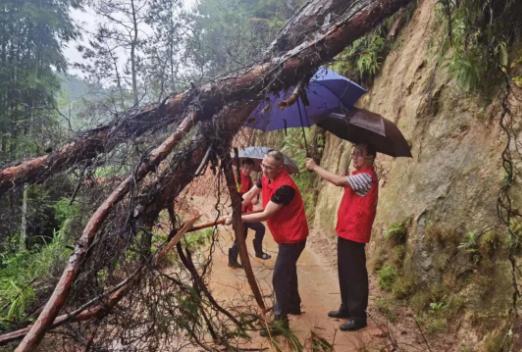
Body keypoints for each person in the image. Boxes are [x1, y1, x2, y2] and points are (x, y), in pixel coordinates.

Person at [232, 149, 308, 336]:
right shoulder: (265, 177)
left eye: (269, 167)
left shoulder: (285, 188)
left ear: (280, 168)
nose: (264, 170)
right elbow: (250, 193)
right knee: (287, 269)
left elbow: (266, 214)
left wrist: (239, 219)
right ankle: (293, 305)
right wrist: (238, 204)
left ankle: (281, 322)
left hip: (294, 237)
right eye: (263, 165)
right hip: (284, 235)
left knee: (280, 276)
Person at [305, 143, 378, 331]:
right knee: (345, 270)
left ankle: (358, 315)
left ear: (370, 158)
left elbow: (337, 181)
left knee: (355, 274)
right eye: (353, 153)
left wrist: (315, 167)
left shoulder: (366, 177)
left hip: (355, 233)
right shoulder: (357, 175)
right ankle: (346, 307)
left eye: (359, 154)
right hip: (347, 231)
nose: (354, 157)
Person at [228, 158, 271, 268]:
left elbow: (252, 193)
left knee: (246, 235)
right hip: (240, 213)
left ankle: (256, 252)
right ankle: (234, 260)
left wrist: (254, 199)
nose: (247, 170)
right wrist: (249, 198)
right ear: (241, 167)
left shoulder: (249, 179)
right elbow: (238, 195)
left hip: (247, 213)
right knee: (243, 236)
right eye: (245, 168)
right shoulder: (238, 178)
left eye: (250, 169)